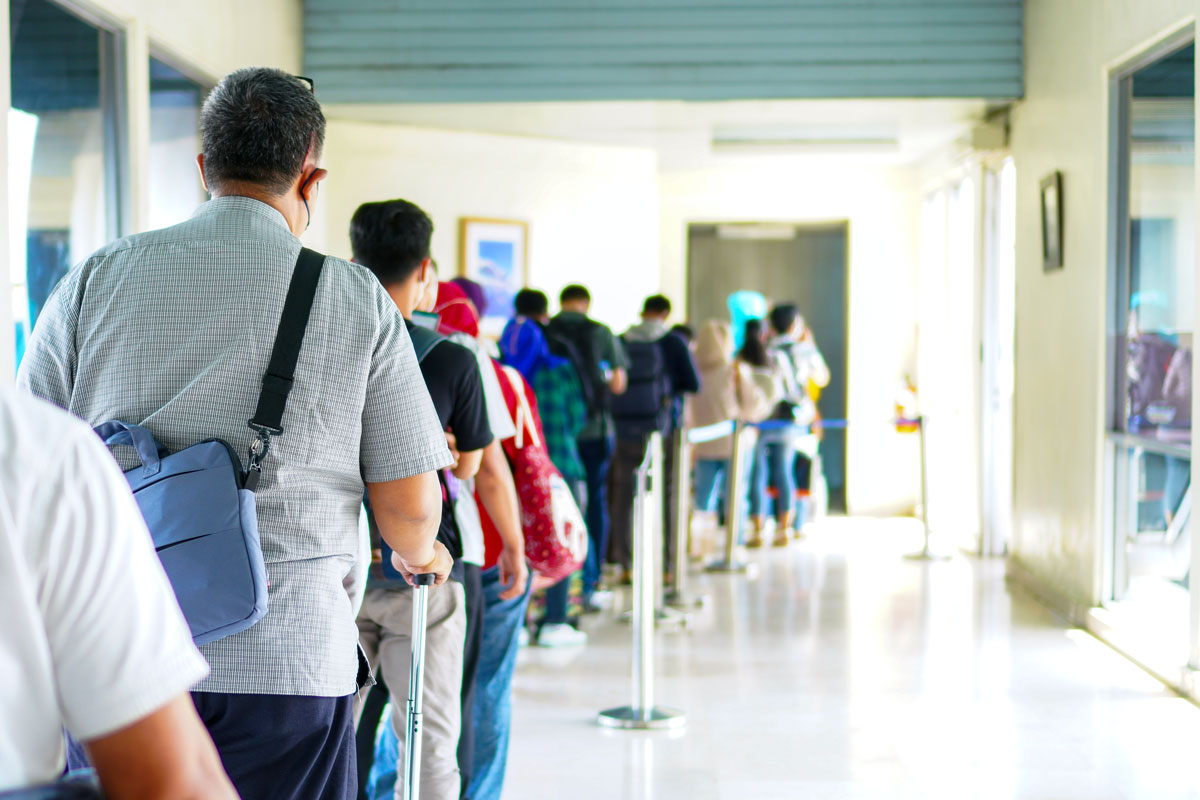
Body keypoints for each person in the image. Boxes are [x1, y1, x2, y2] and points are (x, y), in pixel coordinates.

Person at [18, 67, 454, 800]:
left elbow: (30, 458)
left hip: (116, 655)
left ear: (202, 169)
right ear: (311, 180)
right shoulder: (356, 299)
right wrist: (423, 552)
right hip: (289, 662)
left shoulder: (95, 278)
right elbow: (408, 507)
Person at [0, 388, 237, 799]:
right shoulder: (37, 448)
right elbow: (170, 785)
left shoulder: (63, 325)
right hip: (286, 657)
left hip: (97, 692)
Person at [350, 199, 496, 800]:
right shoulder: (454, 359)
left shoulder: (330, 346)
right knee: (429, 737)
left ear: (353, 261)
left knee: (332, 734)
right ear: (426, 269)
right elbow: (468, 464)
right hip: (425, 567)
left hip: (342, 565)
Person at [500, 310, 590, 647]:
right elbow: (579, 417)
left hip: (514, 477)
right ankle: (556, 621)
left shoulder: (504, 375)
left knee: (519, 545)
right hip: (560, 468)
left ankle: (521, 621)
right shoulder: (560, 370)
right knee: (560, 539)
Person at [608, 295, 701, 583]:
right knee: (669, 492)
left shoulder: (623, 339)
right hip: (662, 429)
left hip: (623, 428)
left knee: (623, 493)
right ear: (665, 313)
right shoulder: (673, 342)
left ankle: (624, 563)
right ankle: (668, 565)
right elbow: (693, 383)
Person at [548, 284, 628, 608]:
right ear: (586, 304)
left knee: (557, 507)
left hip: (556, 432)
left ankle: (556, 587)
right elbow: (619, 383)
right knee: (594, 502)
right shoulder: (601, 332)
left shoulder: (547, 330)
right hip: (594, 428)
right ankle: (592, 581)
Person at [690, 321, 778, 528]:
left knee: (703, 500)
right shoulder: (734, 370)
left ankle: (703, 544)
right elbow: (753, 403)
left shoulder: (693, 371)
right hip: (734, 443)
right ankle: (733, 545)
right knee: (736, 496)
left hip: (703, 445)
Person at [761, 304, 830, 546]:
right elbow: (822, 377)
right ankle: (788, 526)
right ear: (794, 324)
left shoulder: (766, 349)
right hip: (798, 419)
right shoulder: (805, 350)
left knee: (764, 472)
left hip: (766, 419)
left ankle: (759, 525)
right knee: (791, 470)